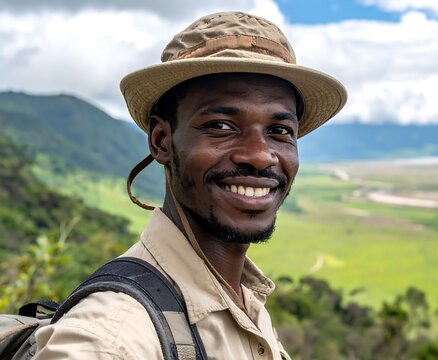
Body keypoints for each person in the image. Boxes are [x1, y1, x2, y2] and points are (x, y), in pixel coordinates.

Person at [33, 11, 346, 359]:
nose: (260, 156)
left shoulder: (244, 299)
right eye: (222, 126)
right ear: (162, 141)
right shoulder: (112, 339)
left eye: (280, 131)